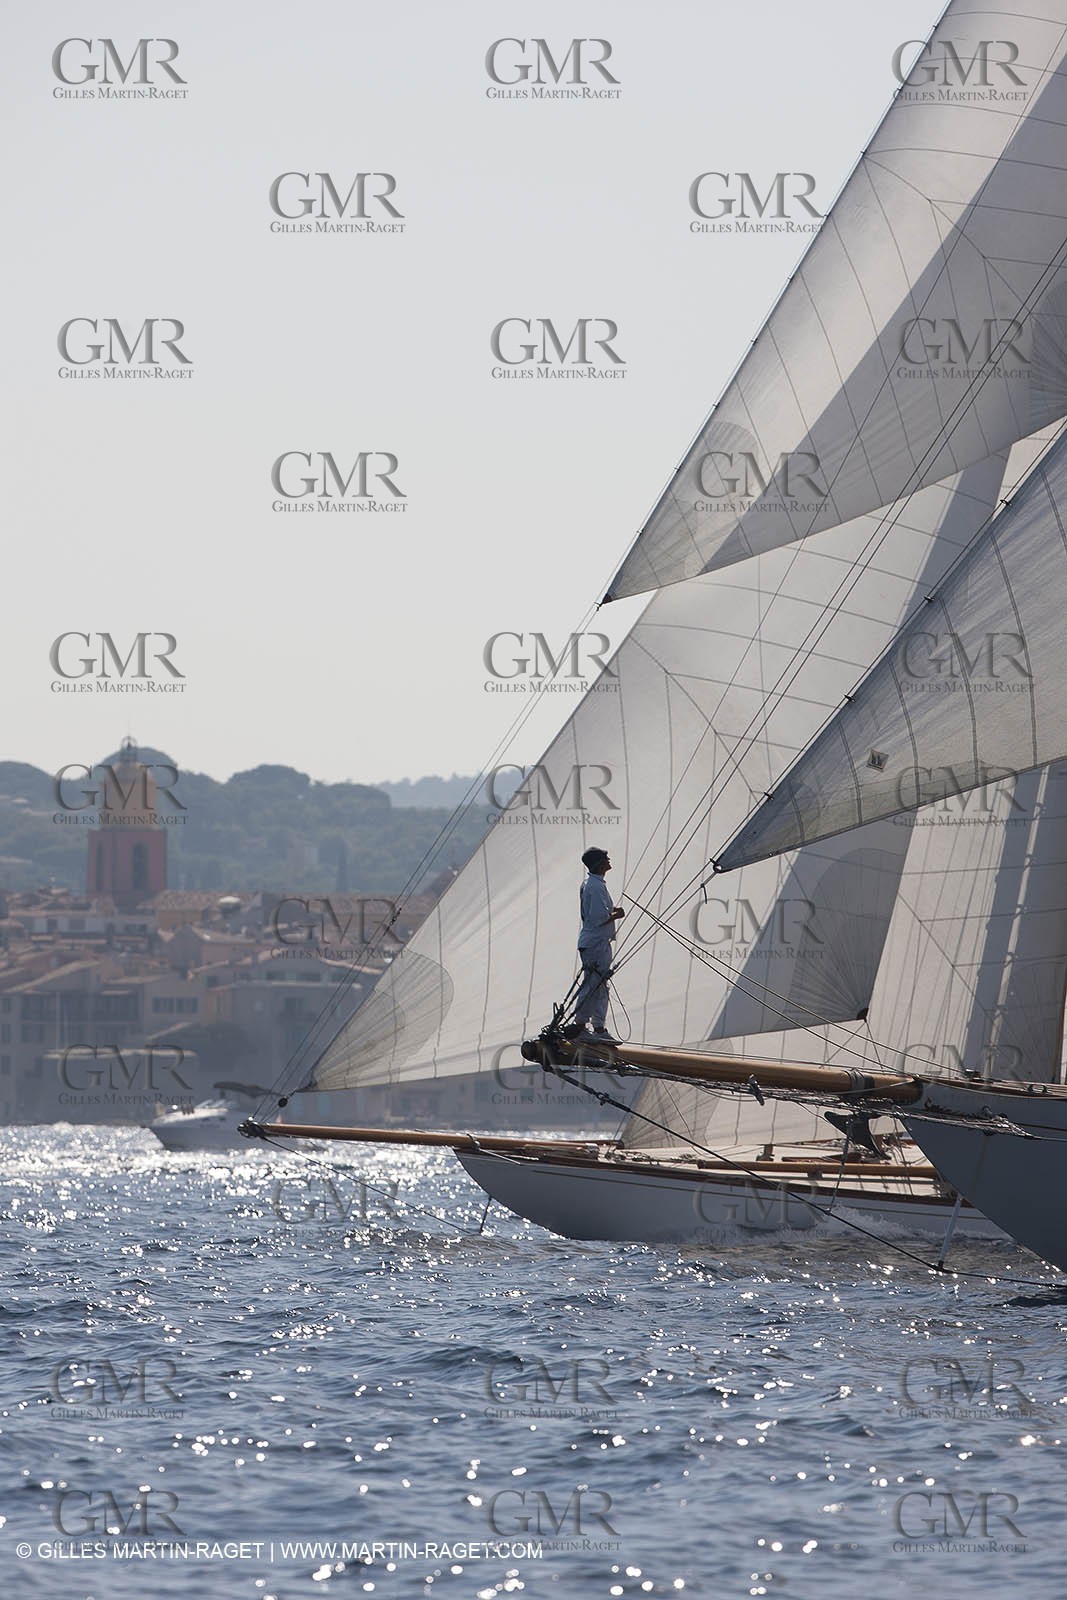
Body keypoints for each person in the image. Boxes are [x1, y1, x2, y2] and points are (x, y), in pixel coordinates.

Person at [565, 846, 625, 1039]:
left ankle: (595, 1027)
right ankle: (585, 1026)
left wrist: (612, 910)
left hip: (593, 942)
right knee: (594, 985)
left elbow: (596, 911)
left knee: (597, 984)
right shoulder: (595, 886)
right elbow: (599, 917)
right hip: (596, 942)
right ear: (599, 864)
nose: (609, 860)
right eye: (605, 858)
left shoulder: (592, 883)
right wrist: (617, 914)